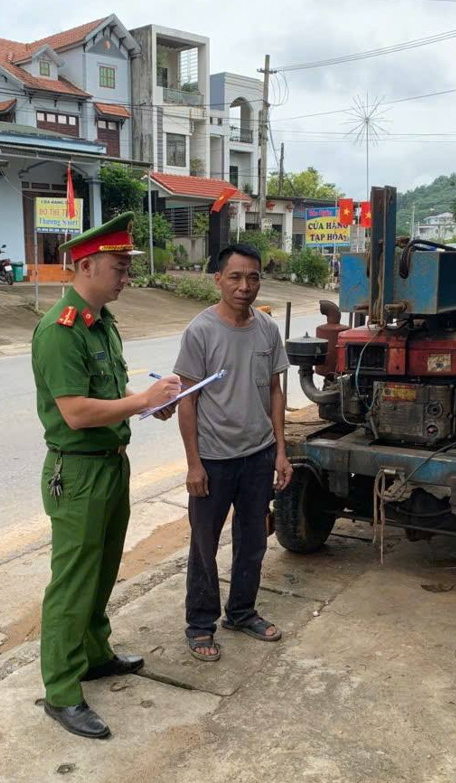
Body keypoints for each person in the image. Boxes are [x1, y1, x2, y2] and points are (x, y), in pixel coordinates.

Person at [31, 212, 181, 740]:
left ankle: (94, 654)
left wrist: (150, 406)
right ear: (88, 265)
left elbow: (110, 401)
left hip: (111, 465)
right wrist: (141, 400)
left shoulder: (102, 322)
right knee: (73, 581)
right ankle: (62, 690)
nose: (126, 277)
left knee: (102, 570)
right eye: (119, 267)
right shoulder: (60, 330)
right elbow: (74, 412)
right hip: (78, 472)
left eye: (127, 267)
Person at [173, 243, 293, 662]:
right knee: (204, 545)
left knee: (253, 540)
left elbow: (276, 391)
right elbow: (185, 401)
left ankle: (241, 613)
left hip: (259, 456)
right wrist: (193, 464)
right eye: (236, 277)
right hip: (214, 460)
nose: (245, 286)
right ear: (218, 280)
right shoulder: (201, 331)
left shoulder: (266, 329)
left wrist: (280, 450)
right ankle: (200, 624)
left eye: (253, 277)